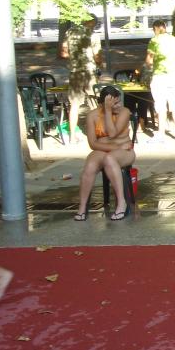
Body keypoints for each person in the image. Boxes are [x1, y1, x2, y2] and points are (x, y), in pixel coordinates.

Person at [73, 85, 135, 221]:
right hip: (104, 149)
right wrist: (116, 146)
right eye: (114, 104)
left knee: (109, 159)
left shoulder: (124, 112)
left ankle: (121, 203)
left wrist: (108, 111)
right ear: (102, 104)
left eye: (119, 102)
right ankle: (82, 207)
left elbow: (112, 134)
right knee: (90, 166)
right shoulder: (92, 116)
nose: (118, 105)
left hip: (125, 152)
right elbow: (93, 144)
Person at [61, 14, 102, 144]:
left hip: (74, 72)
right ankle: (99, 134)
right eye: (95, 24)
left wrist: (75, 59)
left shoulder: (69, 32)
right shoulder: (94, 36)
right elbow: (97, 57)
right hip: (89, 72)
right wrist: (100, 64)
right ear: (91, 22)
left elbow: (64, 53)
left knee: (74, 105)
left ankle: (72, 137)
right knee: (94, 103)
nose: (94, 27)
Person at [145, 20, 175, 143]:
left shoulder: (154, 40)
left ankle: (161, 134)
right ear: (165, 27)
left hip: (159, 77)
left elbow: (149, 61)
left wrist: (148, 68)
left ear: (155, 28)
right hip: (174, 76)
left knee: (161, 106)